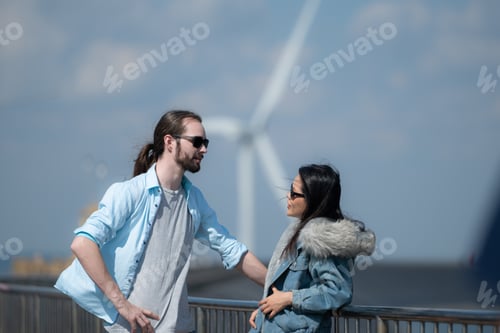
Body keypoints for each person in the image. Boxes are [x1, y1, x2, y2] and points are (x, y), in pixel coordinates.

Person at [55, 110, 267, 333]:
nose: (203, 149)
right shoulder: (130, 193)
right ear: (170, 142)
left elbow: (232, 250)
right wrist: (122, 305)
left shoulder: (194, 201)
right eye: (196, 142)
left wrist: (277, 290)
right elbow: (82, 244)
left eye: (206, 142)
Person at [249, 164, 376, 333]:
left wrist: (289, 298)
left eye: (294, 193)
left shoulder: (319, 238)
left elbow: (338, 291)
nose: (288, 196)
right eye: (290, 190)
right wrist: (264, 313)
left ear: (312, 199)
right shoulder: (298, 233)